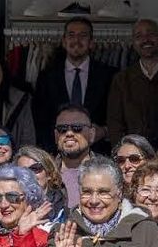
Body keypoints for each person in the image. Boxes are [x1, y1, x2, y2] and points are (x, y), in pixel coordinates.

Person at [33, 18, 116, 149]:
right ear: (64, 41)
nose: (76, 40)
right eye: (71, 35)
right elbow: (40, 119)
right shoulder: (47, 76)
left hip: (98, 154)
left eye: (83, 35)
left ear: (91, 42)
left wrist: (104, 131)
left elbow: (116, 117)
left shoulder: (109, 75)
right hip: (57, 154)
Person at [105, 19, 158, 146]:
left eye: (151, 34)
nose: (145, 39)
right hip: (132, 157)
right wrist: (123, 153)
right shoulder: (121, 79)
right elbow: (115, 123)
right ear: (133, 42)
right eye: (139, 36)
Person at [53, 105, 96, 208]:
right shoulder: (43, 173)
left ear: (92, 134)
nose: (69, 133)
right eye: (62, 129)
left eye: (77, 128)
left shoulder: (109, 171)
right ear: (55, 135)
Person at [14, 146, 67, 222]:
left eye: (35, 168)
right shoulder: (12, 208)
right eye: (23, 171)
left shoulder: (63, 210)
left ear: (49, 174)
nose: (29, 174)